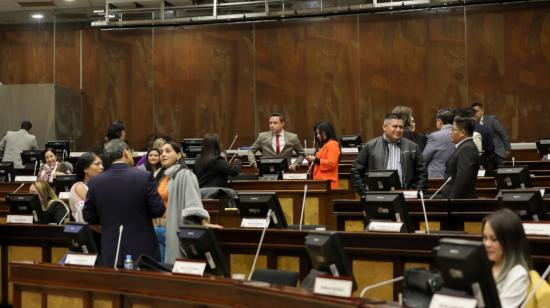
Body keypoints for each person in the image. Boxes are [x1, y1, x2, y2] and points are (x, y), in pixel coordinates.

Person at [83, 139, 165, 267]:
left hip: (111, 249)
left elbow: (89, 217)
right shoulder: (144, 177)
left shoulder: (95, 182)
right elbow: (158, 210)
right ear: (126, 152)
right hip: (143, 252)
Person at [157, 141, 222, 264]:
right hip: (158, 230)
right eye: (161, 152)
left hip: (172, 229)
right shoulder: (162, 176)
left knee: (173, 267)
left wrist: (202, 221)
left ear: (179, 155)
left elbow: (193, 203)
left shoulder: (185, 175)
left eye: (167, 151)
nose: (163, 155)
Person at [350, 113, 428, 197]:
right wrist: (364, 193)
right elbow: (356, 171)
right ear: (384, 127)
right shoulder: (370, 146)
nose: (398, 130)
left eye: (401, 127)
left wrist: (416, 192)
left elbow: (422, 172)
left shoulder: (413, 147)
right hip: (378, 197)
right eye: (395, 126)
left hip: (406, 196)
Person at [482, 209, 530, 307]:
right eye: (485, 238)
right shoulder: (482, 266)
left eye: (494, 239)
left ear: (510, 242)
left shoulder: (518, 275)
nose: (487, 244)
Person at [440, 116, 480, 199]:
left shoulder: (467, 148)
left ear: (462, 133)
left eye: (453, 130)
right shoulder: (464, 147)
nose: (450, 133)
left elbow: (462, 179)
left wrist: (451, 200)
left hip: (460, 202)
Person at [68, 152, 103, 222]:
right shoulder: (79, 186)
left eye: (102, 164)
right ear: (85, 169)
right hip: (87, 230)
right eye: (97, 164)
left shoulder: (97, 186)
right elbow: (98, 210)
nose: (102, 167)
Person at [305, 121, 340, 189]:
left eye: (319, 133)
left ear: (326, 132)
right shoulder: (324, 145)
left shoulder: (332, 144)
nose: (317, 136)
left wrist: (315, 159)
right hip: (320, 182)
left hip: (328, 183)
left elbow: (331, 164)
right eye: (317, 133)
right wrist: (311, 159)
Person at [422, 109, 455, 179]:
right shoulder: (459, 135)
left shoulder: (434, 136)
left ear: (439, 121)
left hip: (436, 177)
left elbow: (424, 159)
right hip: (453, 177)